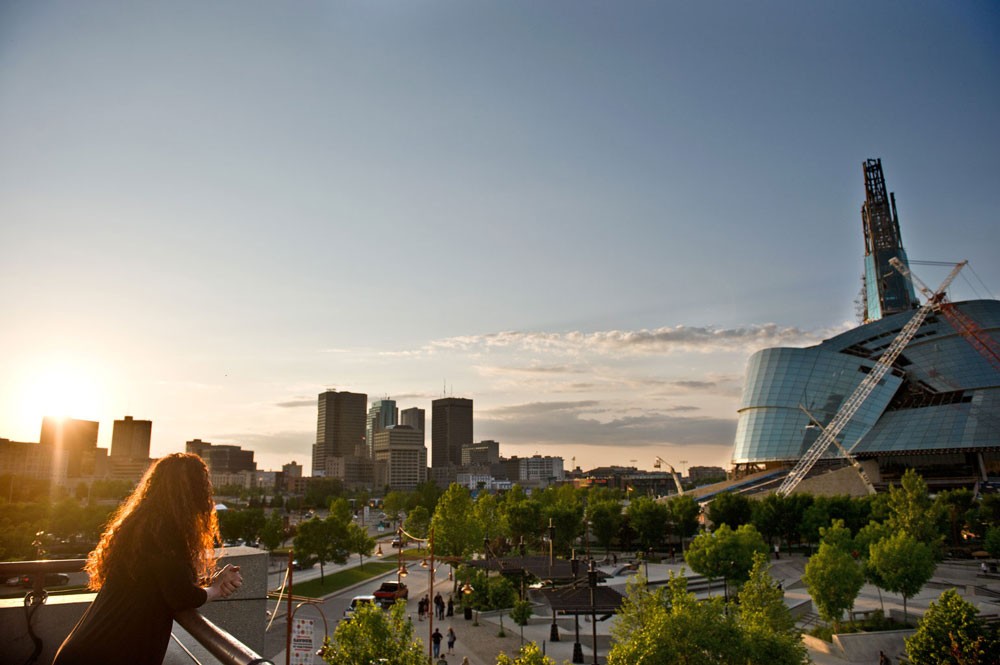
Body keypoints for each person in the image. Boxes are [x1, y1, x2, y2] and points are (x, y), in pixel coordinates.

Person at [53, 453, 242, 665]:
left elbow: (164, 582)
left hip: (89, 648)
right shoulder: (165, 532)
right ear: (195, 490)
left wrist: (210, 581)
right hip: (105, 655)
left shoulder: (144, 526)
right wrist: (216, 590)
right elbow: (181, 596)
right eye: (204, 484)